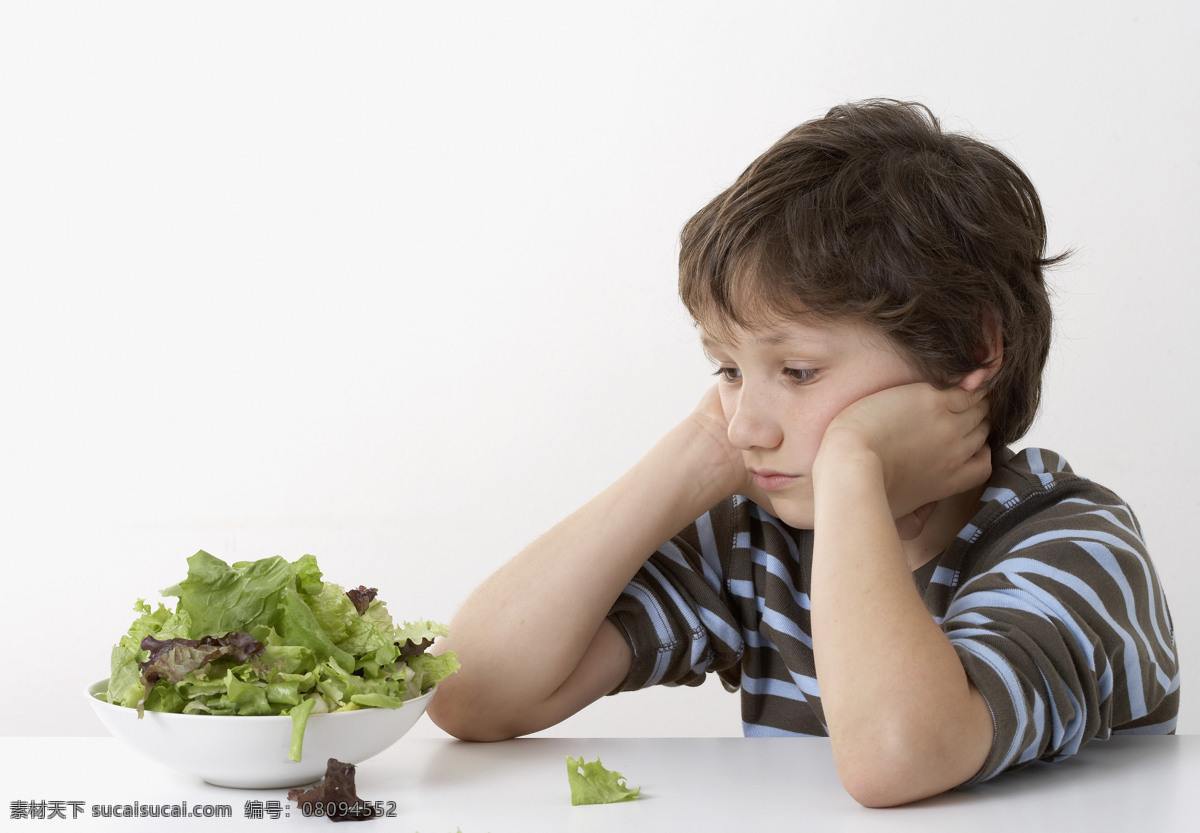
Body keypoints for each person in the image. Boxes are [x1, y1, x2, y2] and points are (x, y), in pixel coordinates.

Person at [426, 99, 1179, 807]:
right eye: (727, 370)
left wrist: (854, 461)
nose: (748, 423)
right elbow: (470, 690)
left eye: (797, 372)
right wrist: (694, 451)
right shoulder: (763, 536)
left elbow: (895, 755)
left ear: (971, 347)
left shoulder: (1077, 546)